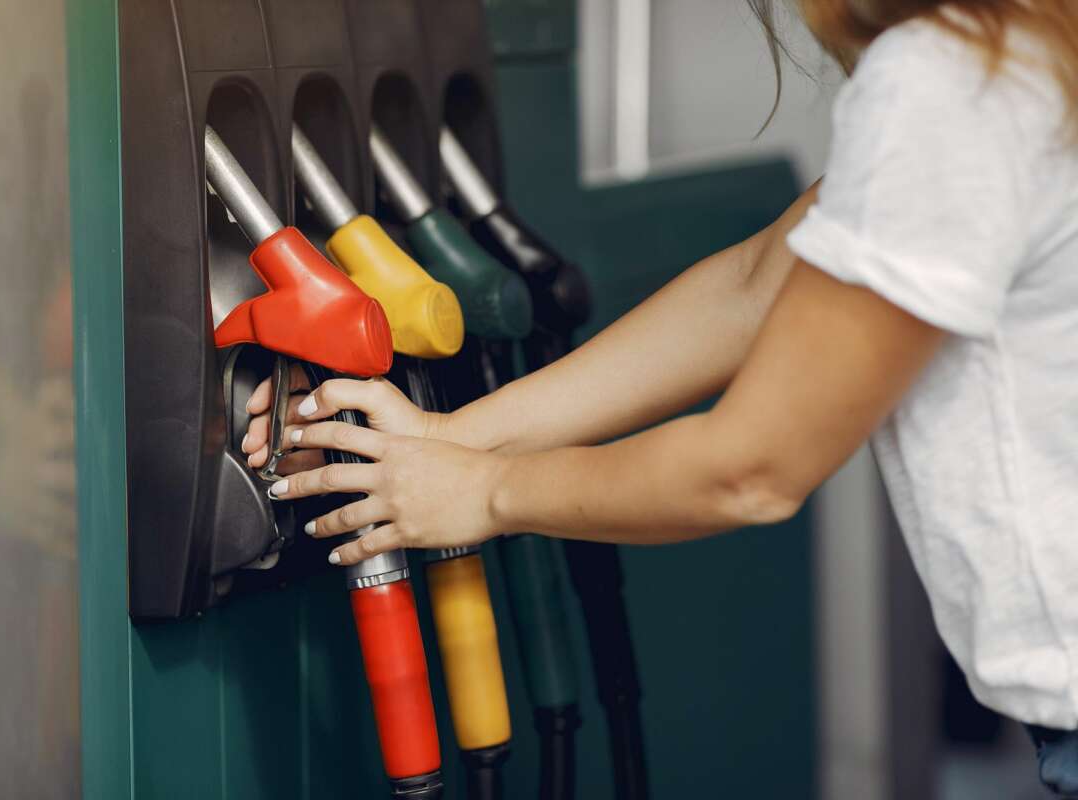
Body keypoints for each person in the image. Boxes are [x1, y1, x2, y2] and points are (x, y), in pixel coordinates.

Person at [241, 1, 1078, 794]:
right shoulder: (1030, 49)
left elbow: (750, 469)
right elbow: (756, 286)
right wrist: (450, 438)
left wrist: (484, 492)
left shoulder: (952, 80)